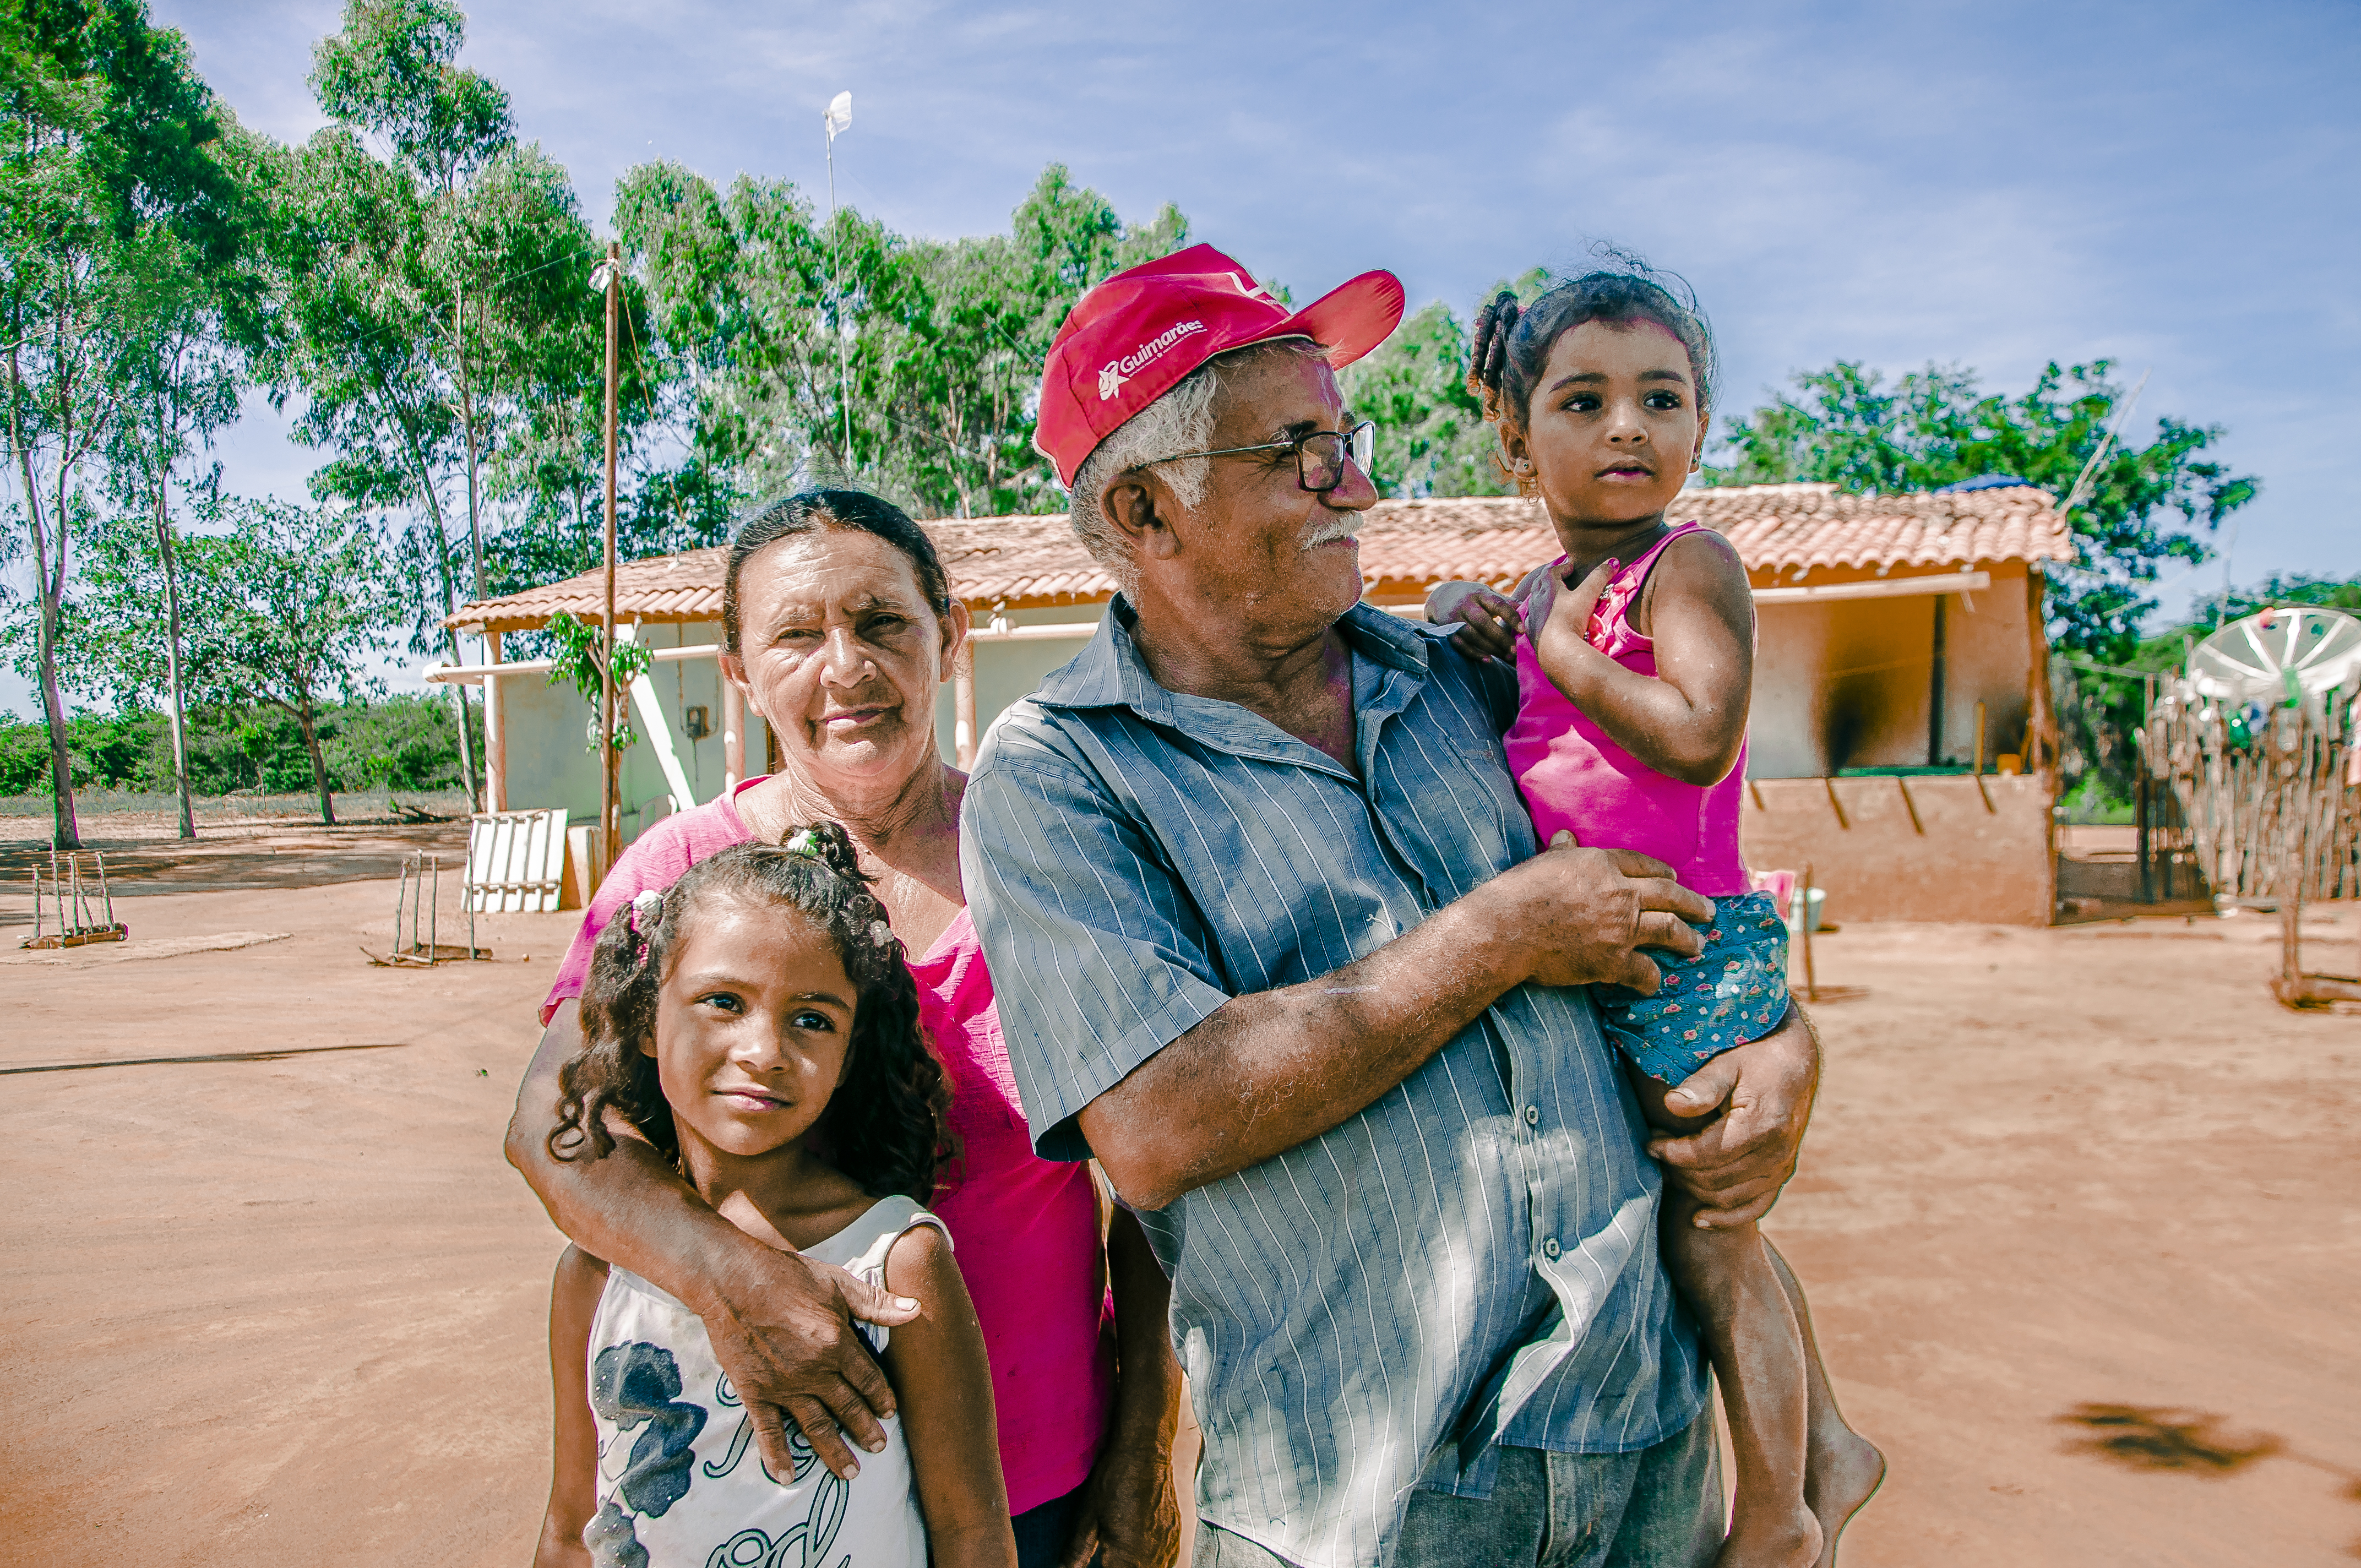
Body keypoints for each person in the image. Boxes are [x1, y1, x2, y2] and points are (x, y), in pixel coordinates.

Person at [961, 242, 1824, 1568]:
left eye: (1343, 437)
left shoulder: (1456, 677)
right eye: (1300, 451)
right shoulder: (1058, 772)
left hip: (1641, 1447)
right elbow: (1153, 1120)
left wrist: (1778, 1043)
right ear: (1143, 513)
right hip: (1362, 1510)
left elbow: (1666, 849)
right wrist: (1503, 932)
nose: (1355, 481)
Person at [505, 491, 1183, 1568]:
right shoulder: (677, 874)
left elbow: (1157, 1180)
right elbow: (552, 1130)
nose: (846, 667)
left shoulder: (1064, 860)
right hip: (741, 1495)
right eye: (795, 633)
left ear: (946, 634)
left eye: (880, 622)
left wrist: (1144, 1442)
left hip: (1031, 1481)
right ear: (737, 667)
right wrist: (740, 1279)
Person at [1426, 266, 1884, 1568]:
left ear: (1697, 430)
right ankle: (1834, 1438)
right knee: (1713, 1222)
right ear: (1518, 442)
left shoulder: (1686, 567)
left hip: (1682, 953)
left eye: (1659, 398)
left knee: (1708, 1234)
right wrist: (1489, 639)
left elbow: (1697, 735)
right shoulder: (1546, 591)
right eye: (1583, 399)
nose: (1625, 425)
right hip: (1613, 958)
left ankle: (1782, 1512)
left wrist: (1554, 649)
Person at [534, 830, 1014, 1568]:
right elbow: (572, 1525)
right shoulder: (596, 1276)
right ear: (645, 1020)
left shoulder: (896, 1263)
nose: (764, 1051)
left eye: (813, 1018)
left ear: (851, 1053)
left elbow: (971, 1533)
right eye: (723, 1002)